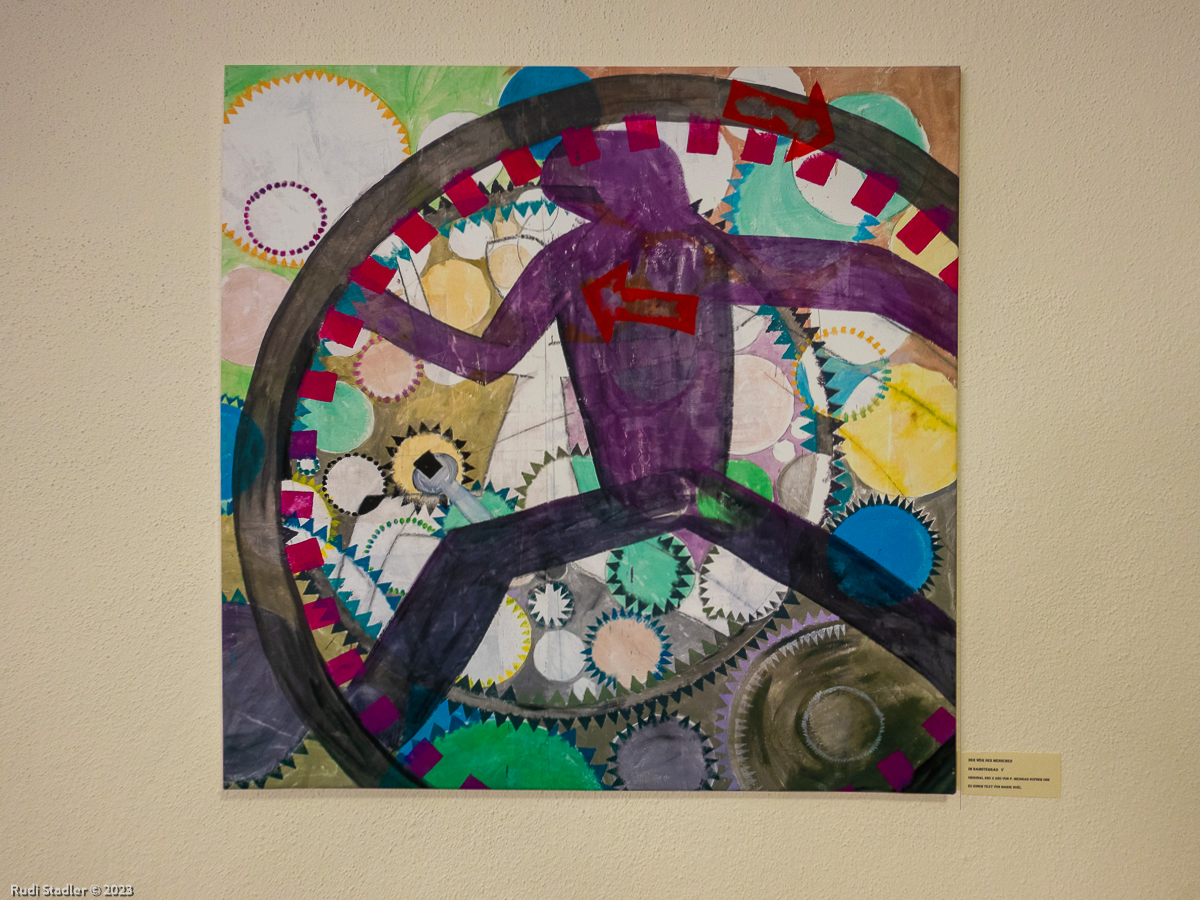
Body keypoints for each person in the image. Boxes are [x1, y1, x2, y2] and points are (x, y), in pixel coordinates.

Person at [347, 129, 957, 746]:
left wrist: (966, 326)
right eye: (583, 199)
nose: (598, 212)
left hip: (692, 490)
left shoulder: (688, 250)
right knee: (471, 554)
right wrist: (375, 308)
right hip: (643, 498)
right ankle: (371, 725)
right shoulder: (577, 260)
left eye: (599, 196)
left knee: (474, 554)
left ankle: (373, 724)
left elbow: (859, 273)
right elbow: (485, 359)